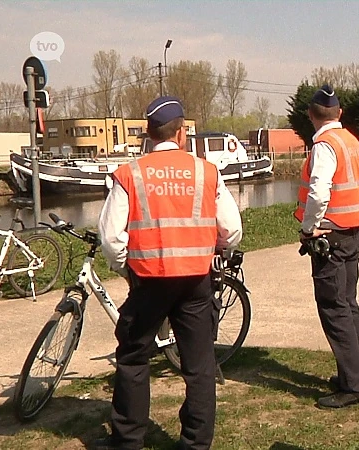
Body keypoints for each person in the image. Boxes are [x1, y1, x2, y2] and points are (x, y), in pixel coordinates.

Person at [95, 96, 243, 450]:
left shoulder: (130, 173)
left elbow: (111, 238)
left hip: (148, 280)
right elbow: (232, 228)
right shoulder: (206, 171)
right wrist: (218, 248)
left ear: (149, 133)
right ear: (181, 134)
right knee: (199, 365)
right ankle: (195, 442)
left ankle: (128, 440)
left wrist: (127, 269)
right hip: (195, 280)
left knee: (133, 357)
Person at [294, 84, 359, 409]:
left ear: (311, 115)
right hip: (352, 230)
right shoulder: (351, 141)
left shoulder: (324, 145)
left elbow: (319, 191)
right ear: (339, 113)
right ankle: (353, 371)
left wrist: (309, 227)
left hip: (329, 236)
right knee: (348, 304)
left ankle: (354, 385)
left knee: (333, 307)